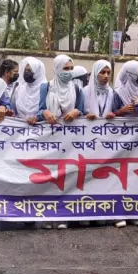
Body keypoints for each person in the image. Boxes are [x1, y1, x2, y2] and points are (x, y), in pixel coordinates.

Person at [38, 55, 85, 230]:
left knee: (68, 176)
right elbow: (40, 109)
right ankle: (47, 216)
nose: (69, 72)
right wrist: (45, 113)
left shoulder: (77, 89)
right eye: (65, 68)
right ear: (57, 69)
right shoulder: (46, 87)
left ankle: (64, 215)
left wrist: (76, 112)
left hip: (70, 141)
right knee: (50, 177)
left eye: (71, 68)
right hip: (50, 140)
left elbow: (82, 109)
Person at [11, 57, 47, 123]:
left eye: (30, 70)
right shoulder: (19, 90)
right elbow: (12, 110)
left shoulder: (46, 90)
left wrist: (37, 118)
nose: (26, 72)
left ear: (38, 72)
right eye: (25, 70)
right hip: (19, 127)